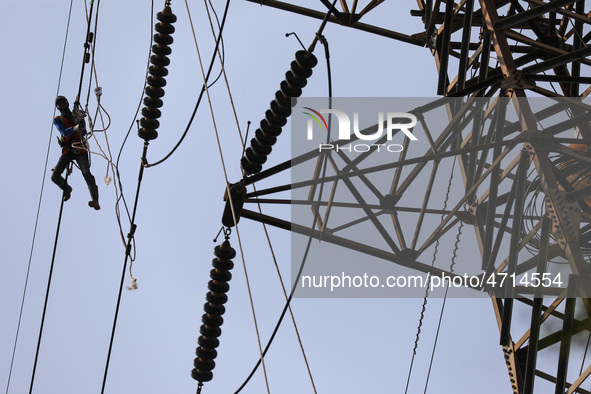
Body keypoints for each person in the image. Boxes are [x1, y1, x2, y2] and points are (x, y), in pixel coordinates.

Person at [51, 96, 100, 210]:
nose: (62, 105)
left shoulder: (76, 116)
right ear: (58, 107)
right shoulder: (58, 119)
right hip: (68, 150)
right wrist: (74, 128)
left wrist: (81, 127)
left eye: (64, 103)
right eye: (60, 104)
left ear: (67, 103)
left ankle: (95, 200)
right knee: (55, 177)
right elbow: (63, 131)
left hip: (79, 148)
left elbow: (84, 131)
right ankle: (67, 188)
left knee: (86, 173)